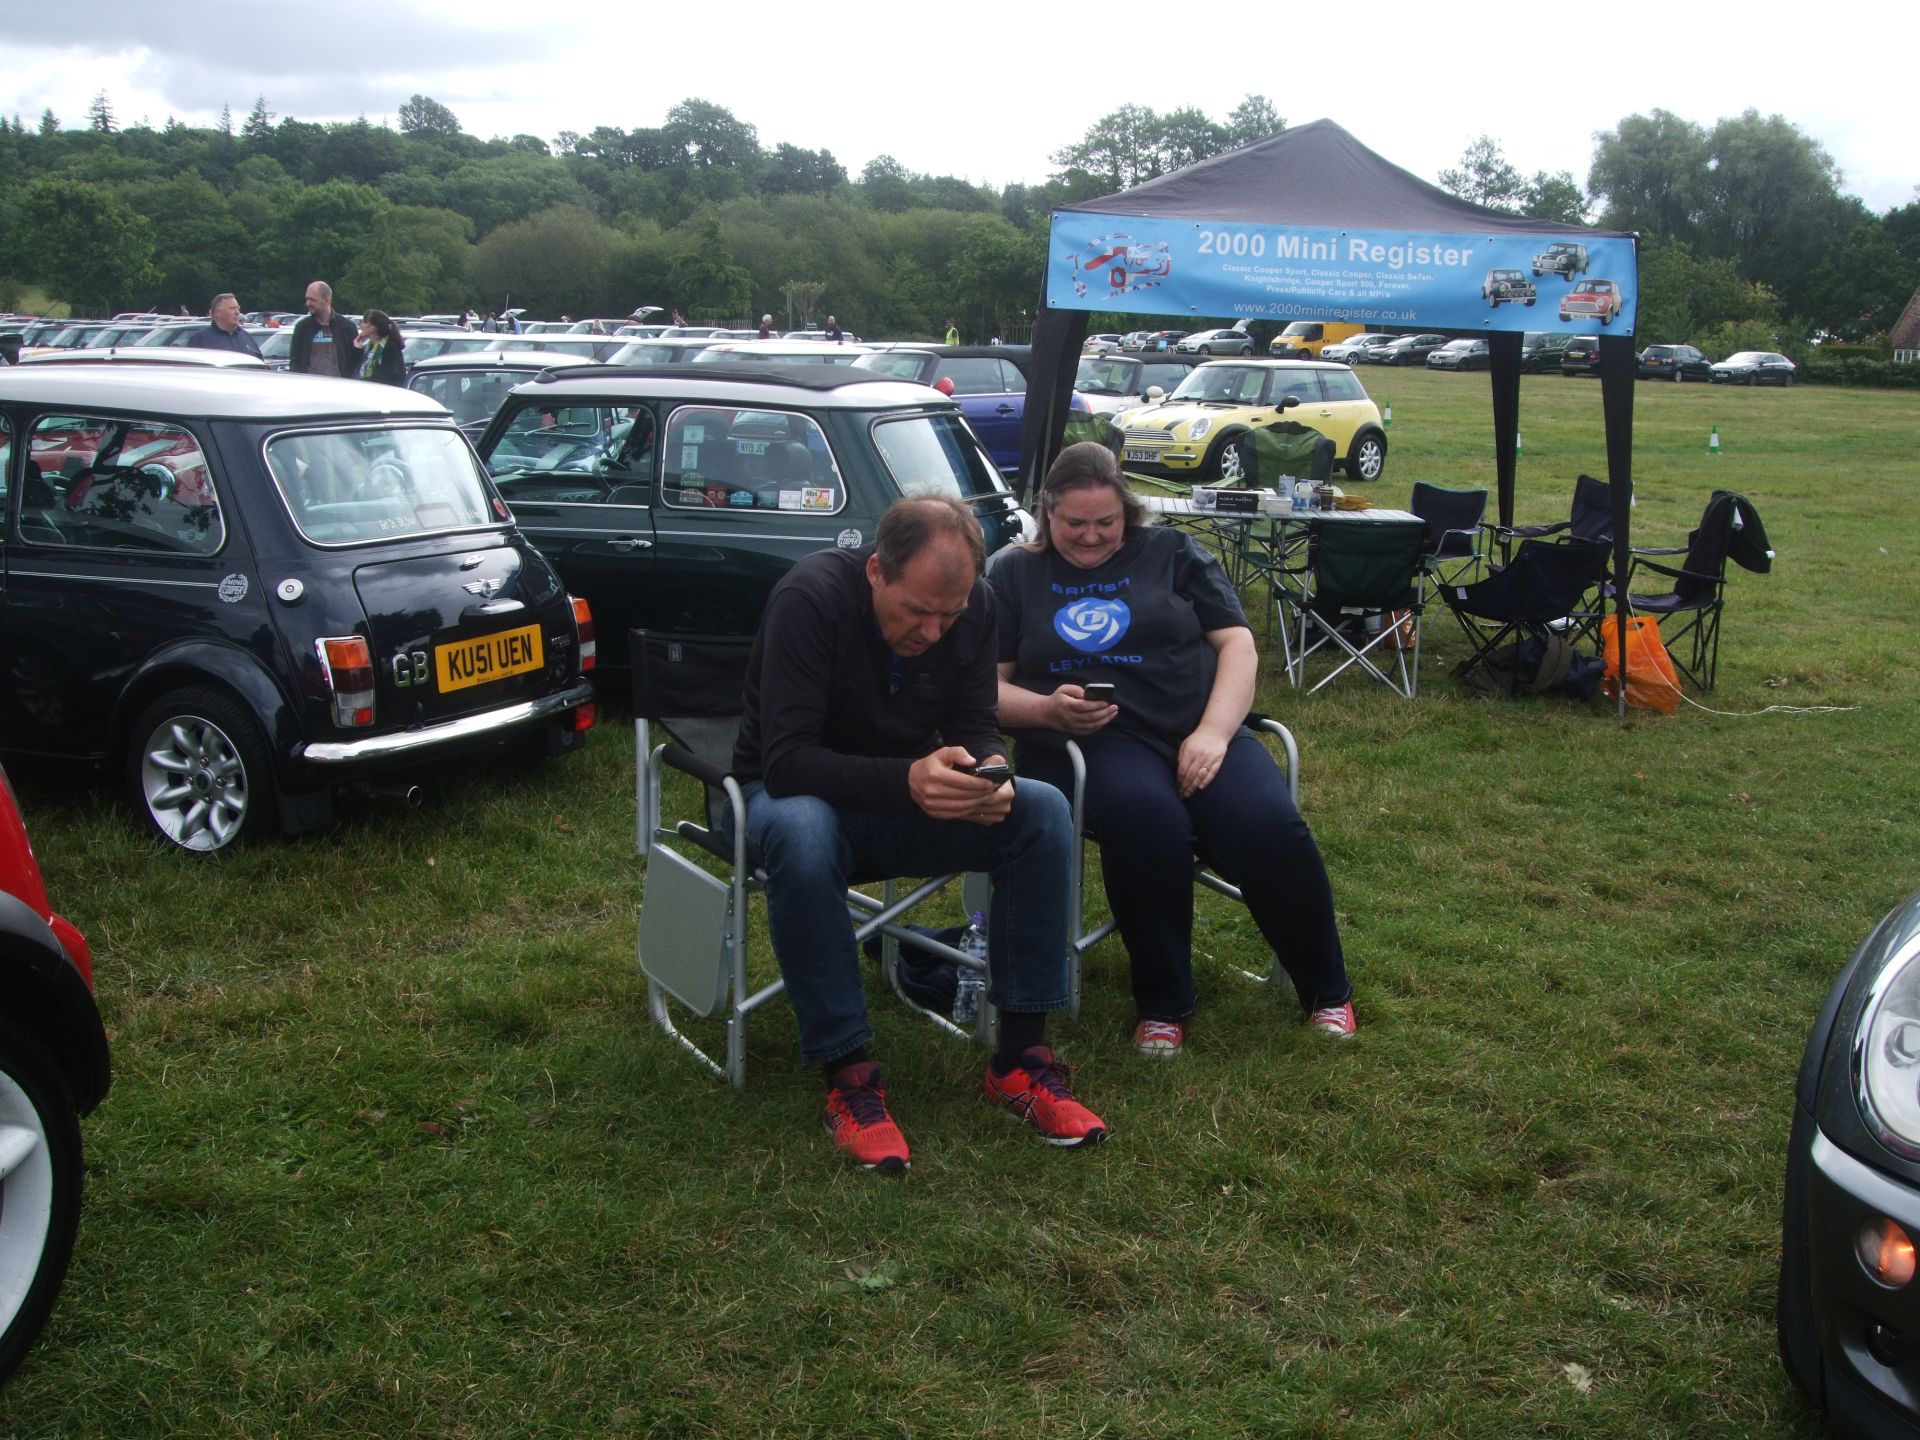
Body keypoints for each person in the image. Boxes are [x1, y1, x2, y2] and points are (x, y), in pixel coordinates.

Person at [733, 495, 1108, 1171]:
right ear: (877, 571)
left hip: (902, 798)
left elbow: (974, 720)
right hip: (790, 797)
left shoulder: (977, 605)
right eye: (917, 612)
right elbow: (784, 761)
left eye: (951, 614)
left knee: (1043, 808)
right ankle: (848, 1078)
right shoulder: (810, 598)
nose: (935, 632)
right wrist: (909, 780)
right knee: (805, 831)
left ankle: (1021, 1061)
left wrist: (989, 772)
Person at [987, 442, 1357, 1056]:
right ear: (1046, 513)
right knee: (1147, 820)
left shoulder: (1172, 552)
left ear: (1127, 513)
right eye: (1074, 524)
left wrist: (1212, 733)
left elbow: (1238, 646)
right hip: (1087, 742)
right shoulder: (1014, 572)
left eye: (1106, 523)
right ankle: (1164, 1004)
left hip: (1194, 726)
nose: (1090, 537)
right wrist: (1048, 709)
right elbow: (986, 688)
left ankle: (1327, 990)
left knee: (1266, 822)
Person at [289, 281, 358, 376]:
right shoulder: (302, 327)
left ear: (327, 300)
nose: (308, 303)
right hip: (308, 386)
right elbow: (295, 361)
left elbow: (355, 361)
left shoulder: (346, 327)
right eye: (307, 299)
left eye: (313, 300)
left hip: (340, 387)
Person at [185, 293, 263, 357]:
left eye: (238, 308)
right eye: (232, 308)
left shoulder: (246, 337)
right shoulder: (201, 339)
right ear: (217, 312)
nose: (237, 312)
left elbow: (261, 367)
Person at [355, 310, 406, 386]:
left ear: (372, 328)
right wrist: (357, 349)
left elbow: (393, 376)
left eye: (364, 322)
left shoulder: (390, 348)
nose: (361, 325)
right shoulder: (368, 347)